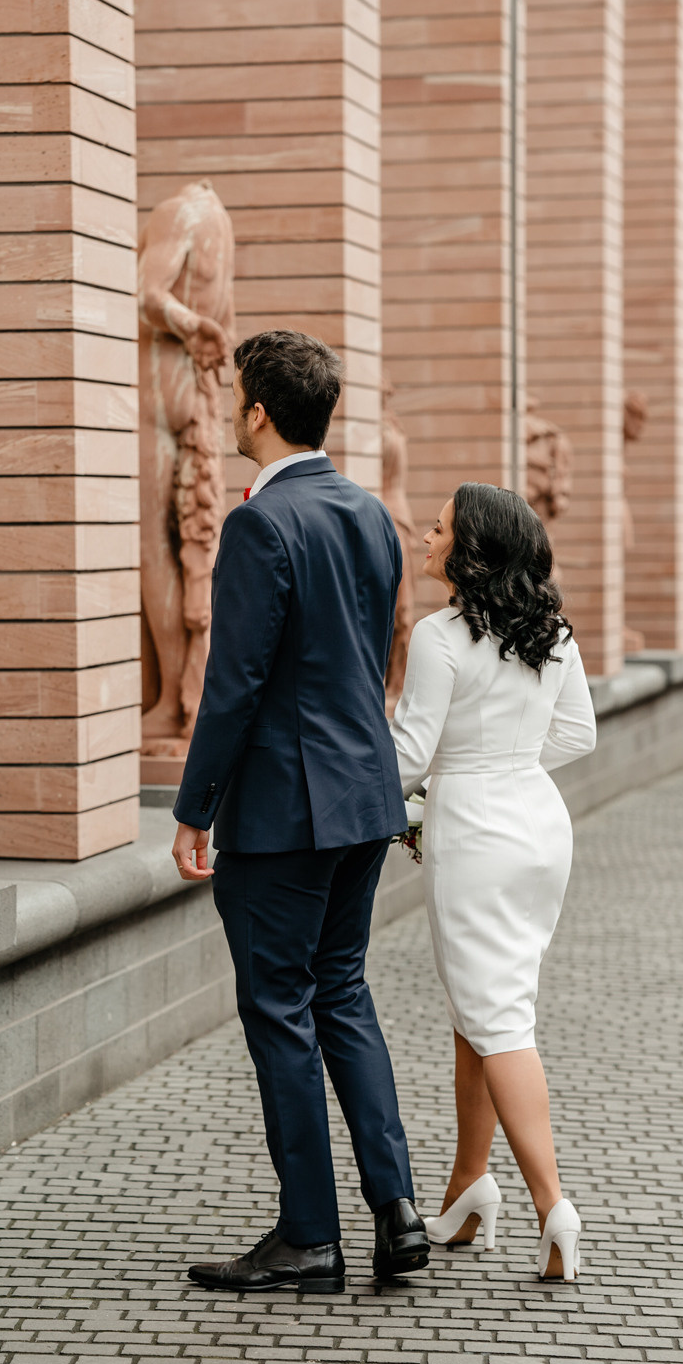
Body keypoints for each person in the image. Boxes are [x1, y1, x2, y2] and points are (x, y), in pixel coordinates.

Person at [172, 329, 427, 1293]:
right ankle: (397, 1212)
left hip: (286, 811)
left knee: (280, 1007)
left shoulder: (260, 524)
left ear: (259, 412)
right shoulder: (368, 513)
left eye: (235, 396)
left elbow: (231, 682)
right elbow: (373, 651)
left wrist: (194, 806)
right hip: (365, 798)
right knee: (342, 993)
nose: (228, 410)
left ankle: (310, 1235)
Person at [390, 483, 596, 1282]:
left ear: (470, 549)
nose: (426, 535)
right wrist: (505, 763)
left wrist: (381, 797)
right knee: (476, 1006)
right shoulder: (552, 628)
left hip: (474, 832)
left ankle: (552, 1205)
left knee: (499, 1016)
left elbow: (410, 754)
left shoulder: (438, 636)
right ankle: (467, 1185)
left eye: (439, 527)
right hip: (538, 825)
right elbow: (576, 733)